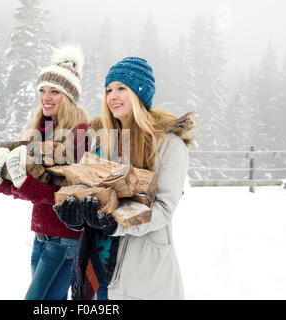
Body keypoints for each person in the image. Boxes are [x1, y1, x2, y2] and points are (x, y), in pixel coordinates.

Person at [54, 57, 194, 300]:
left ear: (140, 95)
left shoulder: (169, 144)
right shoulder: (102, 140)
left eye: (122, 88)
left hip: (139, 269)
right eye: (109, 89)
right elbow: (93, 196)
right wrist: (78, 216)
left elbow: (163, 208)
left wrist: (116, 223)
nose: (112, 96)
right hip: (94, 266)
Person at [0, 46, 89, 300]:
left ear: (70, 97)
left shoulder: (80, 134)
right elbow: (28, 190)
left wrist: (24, 182)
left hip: (65, 240)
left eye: (55, 91)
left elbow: (70, 197)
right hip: (41, 237)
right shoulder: (38, 130)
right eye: (42, 90)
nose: (46, 97)